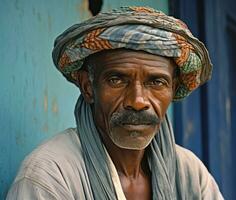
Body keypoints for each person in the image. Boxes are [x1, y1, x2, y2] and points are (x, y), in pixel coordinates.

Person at [7, 6, 224, 200]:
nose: (138, 101)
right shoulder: (49, 177)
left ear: (173, 88)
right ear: (88, 87)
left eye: (156, 82)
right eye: (117, 80)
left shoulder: (190, 174)